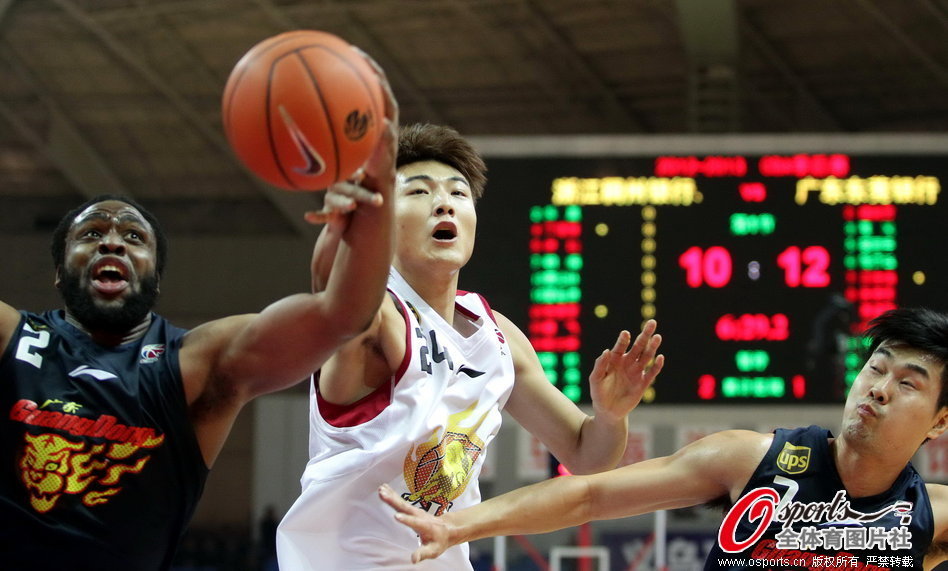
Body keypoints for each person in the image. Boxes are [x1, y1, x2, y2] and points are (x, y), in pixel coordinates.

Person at [0, 65, 398, 570]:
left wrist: (377, 189)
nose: (112, 240)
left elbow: (344, 316)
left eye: (134, 237)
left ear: (155, 278)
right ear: (60, 272)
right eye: (91, 233)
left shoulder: (196, 363)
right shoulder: (12, 339)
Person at [276, 123, 665, 570]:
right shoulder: (378, 315)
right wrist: (344, 229)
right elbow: (338, 303)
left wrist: (612, 416)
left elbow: (587, 456)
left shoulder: (498, 335)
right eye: (419, 192)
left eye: (458, 194)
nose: (444, 202)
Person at [381, 306, 948, 570]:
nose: (878, 389)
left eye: (908, 383)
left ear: (940, 421)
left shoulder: (931, 516)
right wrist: (458, 525)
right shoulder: (752, 459)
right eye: (876, 367)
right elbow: (589, 495)